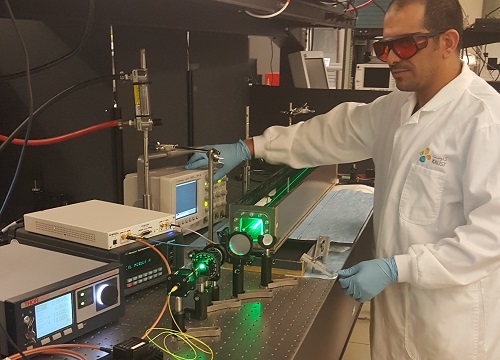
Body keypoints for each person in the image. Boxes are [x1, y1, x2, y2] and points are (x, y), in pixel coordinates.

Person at [186, 0, 500, 358]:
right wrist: (248, 147)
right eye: (384, 46)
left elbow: (490, 237)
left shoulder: (485, 120)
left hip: (450, 326)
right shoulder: (397, 106)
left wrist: (399, 266)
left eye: (406, 44)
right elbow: (331, 133)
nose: (391, 58)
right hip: (397, 314)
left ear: (448, 42)